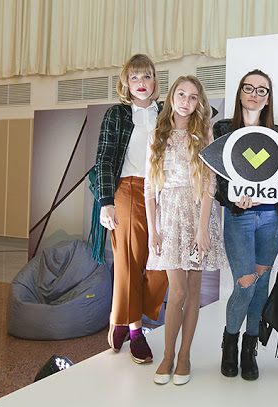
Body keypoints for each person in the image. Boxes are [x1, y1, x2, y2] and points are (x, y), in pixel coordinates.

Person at [214, 69, 278, 381]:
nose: (254, 94)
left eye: (262, 90)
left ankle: (250, 348)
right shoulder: (224, 129)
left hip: (272, 219)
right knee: (245, 284)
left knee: (261, 285)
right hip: (240, 218)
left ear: (268, 98)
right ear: (240, 93)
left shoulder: (277, 135)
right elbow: (218, 179)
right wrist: (234, 200)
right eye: (249, 88)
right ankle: (230, 343)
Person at [146, 76, 227, 386]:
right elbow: (149, 187)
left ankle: (183, 356)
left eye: (193, 97)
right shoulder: (157, 134)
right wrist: (153, 230)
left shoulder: (203, 133)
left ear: (198, 103)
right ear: (171, 97)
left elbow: (209, 183)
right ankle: (167, 355)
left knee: (193, 290)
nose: (186, 101)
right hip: (169, 220)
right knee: (176, 290)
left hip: (196, 219)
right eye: (181, 94)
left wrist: (203, 230)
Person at [94, 54, 168, 364]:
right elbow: (104, 158)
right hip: (128, 190)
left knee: (163, 263)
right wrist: (106, 202)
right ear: (125, 82)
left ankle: (123, 316)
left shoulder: (166, 113)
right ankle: (135, 331)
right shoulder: (117, 114)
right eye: (134, 77)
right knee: (130, 262)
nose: (141, 83)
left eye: (146, 76)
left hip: (163, 193)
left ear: (155, 81)